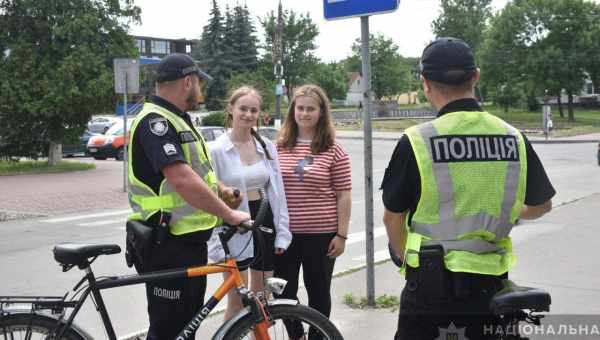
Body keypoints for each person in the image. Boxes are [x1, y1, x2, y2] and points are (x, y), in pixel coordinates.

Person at [381, 37, 555, 340]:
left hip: (431, 287)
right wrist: (505, 213)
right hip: (493, 284)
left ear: (425, 82)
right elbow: (542, 205)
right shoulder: (512, 137)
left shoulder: (418, 141)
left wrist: (404, 258)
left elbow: (392, 218)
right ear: (475, 76)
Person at [126, 53, 249, 340]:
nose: (201, 91)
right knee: (169, 331)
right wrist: (229, 214)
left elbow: (196, 172)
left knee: (185, 328)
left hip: (187, 240)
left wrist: (220, 190)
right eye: (199, 85)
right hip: (167, 242)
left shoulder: (177, 119)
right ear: (188, 81)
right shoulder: (157, 122)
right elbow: (180, 178)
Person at [207, 86, 292, 320]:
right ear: (231, 109)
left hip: (263, 218)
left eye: (253, 110)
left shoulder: (266, 146)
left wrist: (283, 231)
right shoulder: (216, 150)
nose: (248, 114)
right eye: (243, 108)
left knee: (262, 300)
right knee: (237, 301)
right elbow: (209, 194)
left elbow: (278, 192)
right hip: (234, 223)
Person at [274, 84, 352, 340]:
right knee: (282, 292)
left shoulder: (334, 150)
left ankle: (318, 336)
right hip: (285, 234)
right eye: (300, 108)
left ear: (321, 113)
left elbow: (344, 195)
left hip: (322, 235)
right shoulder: (279, 146)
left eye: (311, 109)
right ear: (293, 111)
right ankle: (296, 335)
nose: (305, 113)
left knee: (319, 291)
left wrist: (341, 235)